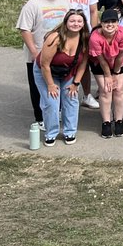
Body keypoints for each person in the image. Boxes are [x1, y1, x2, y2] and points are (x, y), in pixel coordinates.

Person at [18, 0, 68, 128]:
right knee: (38, 87)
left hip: (59, 54)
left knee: (56, 85)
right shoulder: (33, 4)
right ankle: (40, 118)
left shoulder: (65, 2)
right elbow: (24, 29)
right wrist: (34, 52)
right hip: (37, 54)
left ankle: (56, 113)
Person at [34, 10, 90, 146]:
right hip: (46, 72)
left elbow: (83, 64)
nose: (75, 24)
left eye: (79, 21)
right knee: (51, 102)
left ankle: (70, 132)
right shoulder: (55, 38)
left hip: (68, 72)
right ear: (66, 22)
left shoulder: (85, 39)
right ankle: (51, 133)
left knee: (71, 98)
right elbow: (44, 64)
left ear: (83, 24)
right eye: (72, 21)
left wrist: (76, 83)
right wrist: (51, 85)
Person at [89, 9, 123, 138]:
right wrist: (108, 75)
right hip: (100, 62)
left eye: (113, 21)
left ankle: (119, 120)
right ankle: (106, 122)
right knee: (105, 90)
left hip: (120, 62)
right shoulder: (95, 37)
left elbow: (120, 57)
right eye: (106, 22)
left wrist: (115, 74)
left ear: (117, 23)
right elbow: (101, 59)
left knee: (119, 89)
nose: (110, 24)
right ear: (101, 23)